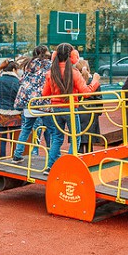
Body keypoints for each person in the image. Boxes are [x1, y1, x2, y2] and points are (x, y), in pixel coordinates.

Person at [42, 43, 101, 171]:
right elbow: (85, 93)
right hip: (70, 108)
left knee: (57, 138)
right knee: (76, 137)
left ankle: (50, 166)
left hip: (56, 109)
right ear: (73, 57)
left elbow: (44, 93)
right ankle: (69, 166)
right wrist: (95, 81)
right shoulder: (74, 73)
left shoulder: (50, 72)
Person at [11, 45, 52, 163]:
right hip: (42, 102)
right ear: (44, 53)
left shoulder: (29, 65)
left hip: (28, 102)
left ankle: (17, 154)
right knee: (51, 129)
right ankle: (52, 156)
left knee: (26, 128)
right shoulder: (48, 65)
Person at [0, 60, 21, 156]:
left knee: (1, 139)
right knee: (15, 139)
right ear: (13, 69)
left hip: (1, 112)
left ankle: (2, 159)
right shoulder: (17, 81)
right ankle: (15, 158)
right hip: (15, 113)